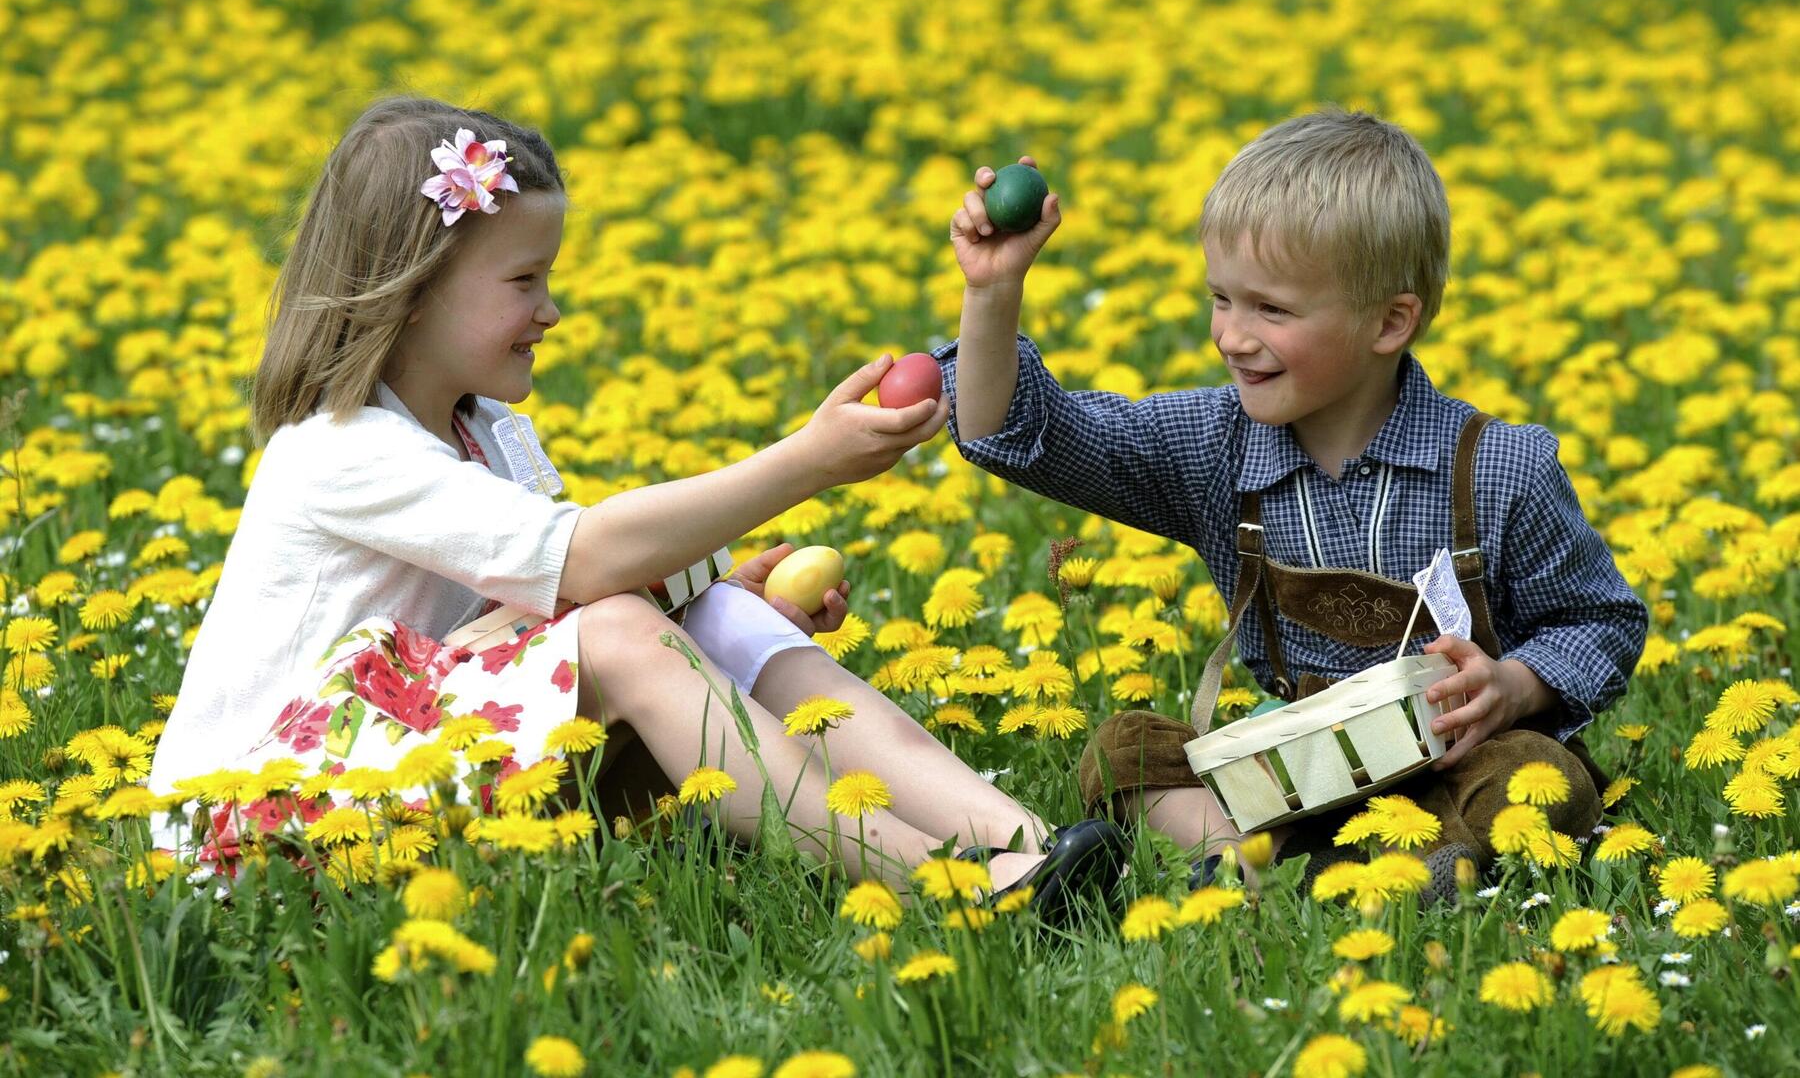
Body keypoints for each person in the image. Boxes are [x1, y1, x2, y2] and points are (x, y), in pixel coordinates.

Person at [145, 95, 1126, 915]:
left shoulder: (484, 430)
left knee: (714, 612)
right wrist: (808, 461)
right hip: (259, 831)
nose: (552, 310)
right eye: (524, 280)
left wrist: (703, 604)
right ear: (413, 291)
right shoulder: (340, 448)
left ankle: (1030, 848)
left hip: (410, 771)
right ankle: (943, 890)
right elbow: (581, 569)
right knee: (618, 627)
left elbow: (541, 609)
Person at [935, 109, 1648, 899]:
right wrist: (993, 293)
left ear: (1390, 321)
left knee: (1541, 777)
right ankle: (1276, 873)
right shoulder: (1214, 449)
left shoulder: (1499, 468)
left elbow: (1602, 622)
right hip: (1295, 775)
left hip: (1460, 765)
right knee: (1124, 751)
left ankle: (1406, 873)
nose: (1233, 336)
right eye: (1221, 299)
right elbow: (1025, 434)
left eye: (1271, 310)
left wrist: (1514, 685)